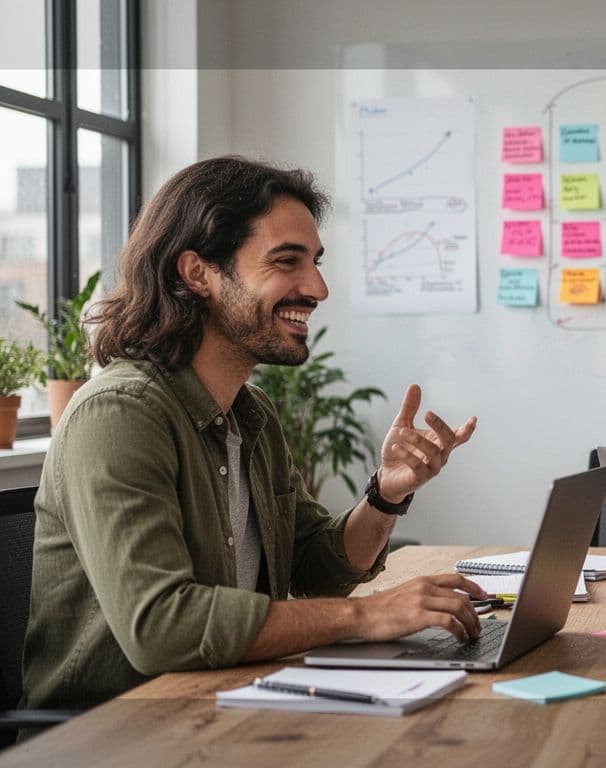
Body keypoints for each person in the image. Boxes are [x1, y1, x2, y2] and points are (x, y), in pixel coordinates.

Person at [23, 157, 490, 711]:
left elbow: (319, 569)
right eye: (286, 261)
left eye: (315, 262)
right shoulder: (118, 416)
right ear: (198, 273)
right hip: (118, 733)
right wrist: (368, 616)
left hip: (230, 703)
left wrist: (385, 493)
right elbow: (161, 628)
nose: (317, 287)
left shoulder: (251, 416)